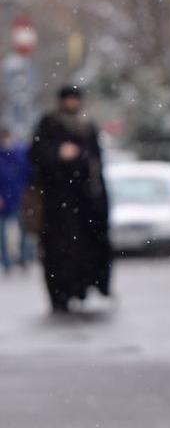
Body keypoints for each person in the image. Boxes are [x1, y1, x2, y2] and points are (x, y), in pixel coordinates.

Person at [29, 85, 113, 312]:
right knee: (58, 253)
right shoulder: (49, 124)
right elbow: (36, 154)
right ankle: (61, 294)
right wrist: (58, 153)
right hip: (56, 204)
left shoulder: (86, 126)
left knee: (86, 250)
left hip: (84, 204)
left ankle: (82, 287)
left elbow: (95, 161)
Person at [0, 125, 33, 271]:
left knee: (24, 231)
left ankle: (23, 259)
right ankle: (7, 262)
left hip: (20, 198)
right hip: (4, 199)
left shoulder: (19, 154)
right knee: (3, 234)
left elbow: (28, 173)